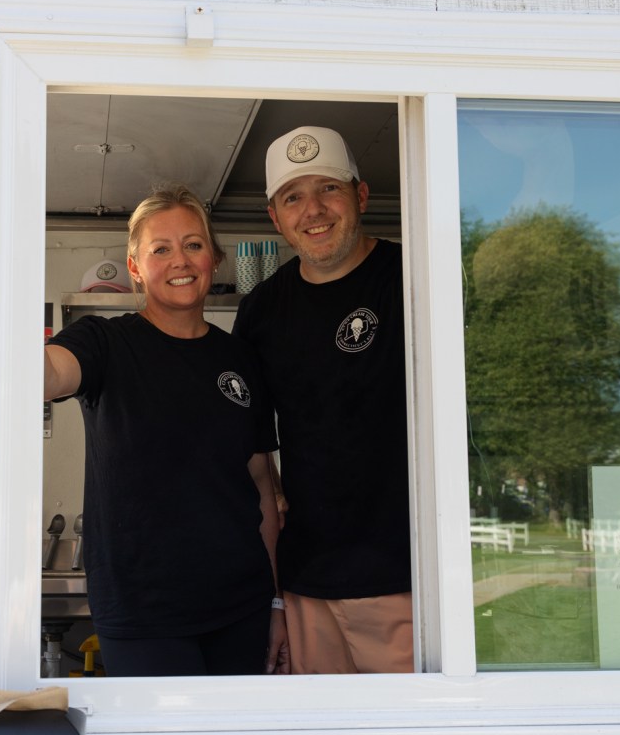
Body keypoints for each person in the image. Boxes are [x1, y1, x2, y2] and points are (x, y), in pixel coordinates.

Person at [45, 184, 289, 677]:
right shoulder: (105, 343)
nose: (180, 260)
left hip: (240, 608)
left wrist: (277, 602)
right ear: (136, 266)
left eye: (193, 245)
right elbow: (50, 374)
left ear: (214, 259)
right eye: (161, 249)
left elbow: (262, 485)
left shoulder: (240, 359)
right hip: (143, 616)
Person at [231, 126, 413, 675]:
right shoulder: (261, 310)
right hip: (308, 580)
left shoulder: (413, 278)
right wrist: (276, 599)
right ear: (275, 217)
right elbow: (255, 454)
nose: (313, 210)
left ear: (360, 195)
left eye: (328, 189)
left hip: (409, 576)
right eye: (293, 197)